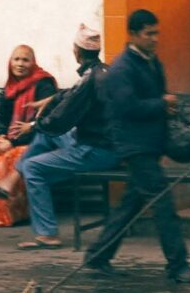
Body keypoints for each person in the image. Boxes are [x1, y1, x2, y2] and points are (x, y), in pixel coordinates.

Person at [81, 9, 190, 282]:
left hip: (150, 143)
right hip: (135, 146)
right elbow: (127, 107)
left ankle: (97, 257)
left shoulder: (150, 61)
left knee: (130, 205)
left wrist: (171, 113)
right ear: (133, 35)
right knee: (163, 202)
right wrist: (162, 104)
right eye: (149, 34)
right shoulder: (122, 68)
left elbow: (156, 99)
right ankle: (178, 266)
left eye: (157, 33)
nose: (155, 39)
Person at [15, 38, 116, 250]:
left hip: (96, 150)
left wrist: (33, 125)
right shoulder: (101, 71)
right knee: (45, 137)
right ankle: (13, 177)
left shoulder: (89, 79)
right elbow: (70, 95)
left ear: (77, 52)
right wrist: (51, 100)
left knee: (33, 167)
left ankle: (47, 234)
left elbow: (62, 117)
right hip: (102, 144)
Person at [0, 44, 56, 228]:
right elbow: (1, 117)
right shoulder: (10, 86)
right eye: (16, 59)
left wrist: (13, 141)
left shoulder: (43, 84)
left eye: (25, 60)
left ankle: (6, 215)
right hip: (9, 138)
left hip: (34, 140)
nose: (20, 64)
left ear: (33, 63)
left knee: (7, 159)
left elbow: (46, 124)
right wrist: (1, 136)